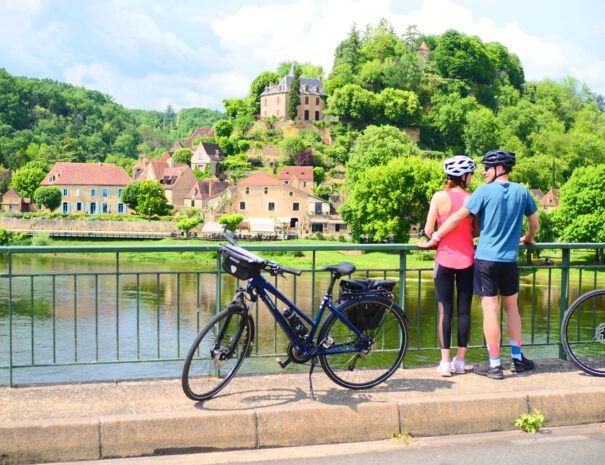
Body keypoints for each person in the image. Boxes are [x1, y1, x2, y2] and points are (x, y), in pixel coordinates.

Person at [419, 150, 539, 380]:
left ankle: (495, 365)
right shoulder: (522, 192)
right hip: (509, 260)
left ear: (499, 169)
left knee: (490, 310)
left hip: (485, 260)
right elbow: (534, 223)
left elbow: (456, 218)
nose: (483, 171)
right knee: (511, 308)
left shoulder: (483, 191)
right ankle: (517, 358)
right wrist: (528, 238)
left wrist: (434, 238)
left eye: (487, 167)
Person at [423, 155, 478, 377]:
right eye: (471, 173)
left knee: (445, 311)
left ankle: (445, 363)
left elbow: (429, 230)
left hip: (443, 260)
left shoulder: (438, 197)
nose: (472, 176)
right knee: (464, 311)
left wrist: (439, 230)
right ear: (463, 176)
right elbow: (476, 232)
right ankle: (461, 362)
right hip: (467, 260)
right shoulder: (472, 198)